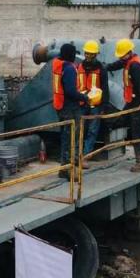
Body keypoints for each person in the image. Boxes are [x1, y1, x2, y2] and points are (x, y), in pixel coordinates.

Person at [107, 38, 140, 172]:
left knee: (137, 131)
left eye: (122, 55)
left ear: (129, 52)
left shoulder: (135, 66)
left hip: (139, 103)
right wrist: (106, 67)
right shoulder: (127, 61)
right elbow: (118, 64)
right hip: (131, 101)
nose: (121, 57)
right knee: (121, 121)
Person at [52, 42, 88, 179]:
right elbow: (70, 91)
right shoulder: (69, 68)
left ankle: (63, 168)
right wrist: (84, 97)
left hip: (60, 106)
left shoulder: (57, 64)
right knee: (73, 139)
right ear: (71, 55)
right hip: (70, 108)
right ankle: (70, 171)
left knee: (66, 138)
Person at [79, 40, 108, 158]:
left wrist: (103, 107)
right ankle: (77, 153)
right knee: (80, 129)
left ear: (96, 54)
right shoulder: (79, 66)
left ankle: (86, 155)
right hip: (81, 103)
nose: (88, 56)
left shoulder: (101, 69)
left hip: (96, 105)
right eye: (87, 53)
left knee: (92, 130)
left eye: (91, 54)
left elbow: (105, 88)